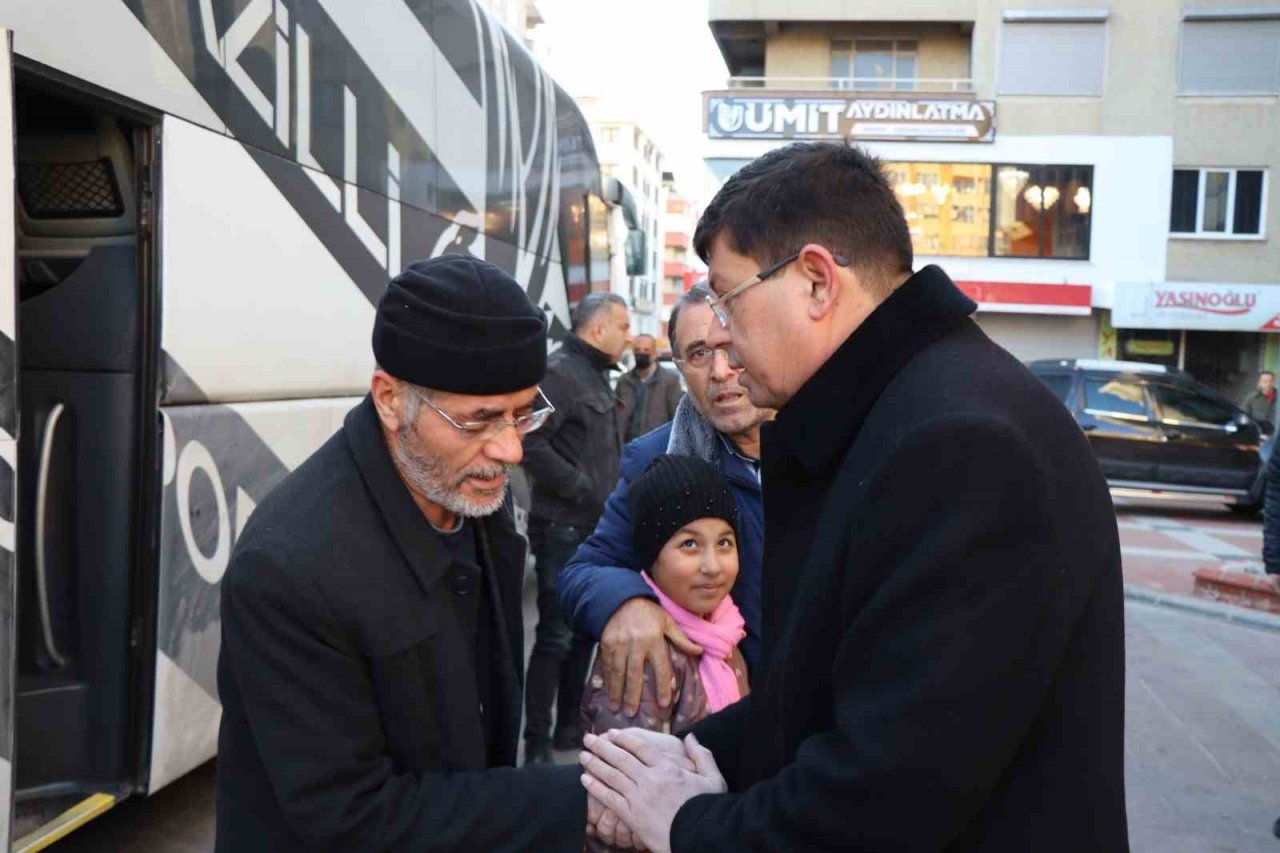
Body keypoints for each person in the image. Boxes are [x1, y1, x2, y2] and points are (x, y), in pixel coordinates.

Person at [579, 142, 1128, 852]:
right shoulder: (905, 409)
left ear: (815, 281)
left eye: (727, 297)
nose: (721, 334)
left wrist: (686, 823)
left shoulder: (960, 445)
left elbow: (886, 791)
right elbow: (827, 693)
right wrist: (694, 753)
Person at [215, 255, 588, 851]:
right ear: (390, 400)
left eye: (523, 414)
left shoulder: (469, 492)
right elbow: (353, 819)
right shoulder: (287, 567)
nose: (512, 449)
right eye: (479, 421)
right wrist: (583, 801)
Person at [559, 285, 770, 720]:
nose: (719, 371)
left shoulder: (834, 443)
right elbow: (585, 570)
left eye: (730, 348)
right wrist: (627, 602)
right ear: (679, 368)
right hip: (715, 727)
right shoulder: (657, 464)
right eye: (697, 354)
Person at [580, 454, 749, 853]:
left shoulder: (726, 632)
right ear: (651, 559)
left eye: (724, 543)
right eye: (689, 544)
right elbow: (616, 802)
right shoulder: (644, 653)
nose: (713, 566)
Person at [521, 292, 630, 764]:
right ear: (598, 329)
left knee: (584, 633)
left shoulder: (596, 376)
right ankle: (537, 742)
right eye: (622, 327)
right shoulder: (560, 373)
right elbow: (530, 441)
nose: (628, 338)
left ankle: (569, 729)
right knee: (556, 637)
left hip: (594, 529)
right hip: (563, 528)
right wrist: (582, 487)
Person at [617, 333, 683, 443]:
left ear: (655, 354)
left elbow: (676, 418)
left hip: (655, 447)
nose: (641, 353)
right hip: (626, 447)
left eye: (646, 350)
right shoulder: (624, 381)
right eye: (637, 350)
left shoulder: (669, 381)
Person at [1242, 370, 1277, 435]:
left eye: (1271, 381)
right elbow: (1244, 414)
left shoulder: (1278, 398)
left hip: (1276, 434)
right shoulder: (1251, 398)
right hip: (1256, 433)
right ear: (1260, 382)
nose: (1268, 384)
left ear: (1274, 382)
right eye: (1265, 381)